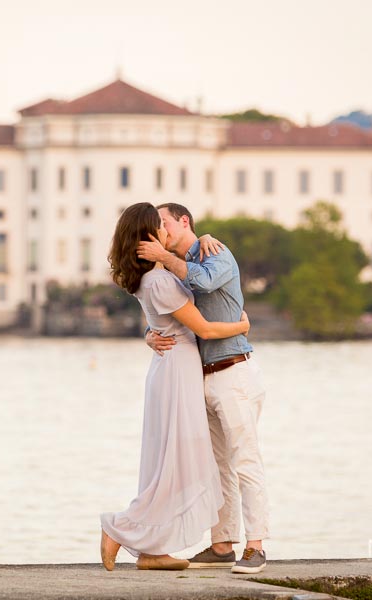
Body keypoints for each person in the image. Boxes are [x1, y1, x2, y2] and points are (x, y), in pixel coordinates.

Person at [99, 202, 250, 572]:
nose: (167, 232)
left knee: (169, 462)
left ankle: (152, 550)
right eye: (160, 227)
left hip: (170, 368)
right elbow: (206, 329)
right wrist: (243, 326)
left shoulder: (148, 277)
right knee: (177, 463)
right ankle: (121, 528)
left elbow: (181, 289)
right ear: (150, 235)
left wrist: (202, 240)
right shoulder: (162, 280)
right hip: (179, 369)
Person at [137, 202, 269, 575]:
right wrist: (150, 335)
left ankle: (256, 545)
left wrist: (165, 255)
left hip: (234, 372)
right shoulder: (171, 271)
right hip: (200, 376)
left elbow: (206, 282)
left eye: (163, 223)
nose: (158, 231)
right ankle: (222, 544)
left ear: (184, 222)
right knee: (216, 466)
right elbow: (166, 310)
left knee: (245, 459)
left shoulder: (217, 251)